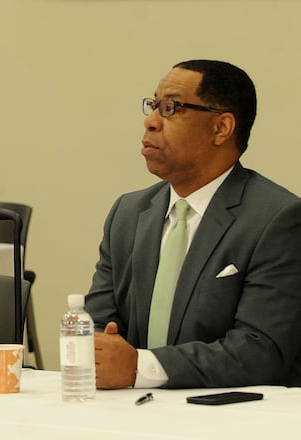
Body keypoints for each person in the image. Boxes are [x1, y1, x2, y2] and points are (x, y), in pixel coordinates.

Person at [87, 60, 301, 389]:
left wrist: (140, 367)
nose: (151, 121)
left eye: (171, 108)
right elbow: (100, 324)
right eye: (153, 105)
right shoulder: (128, 213)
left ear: (221, 128)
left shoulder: (278, 219)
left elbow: (261, 350)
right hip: (129, 410)